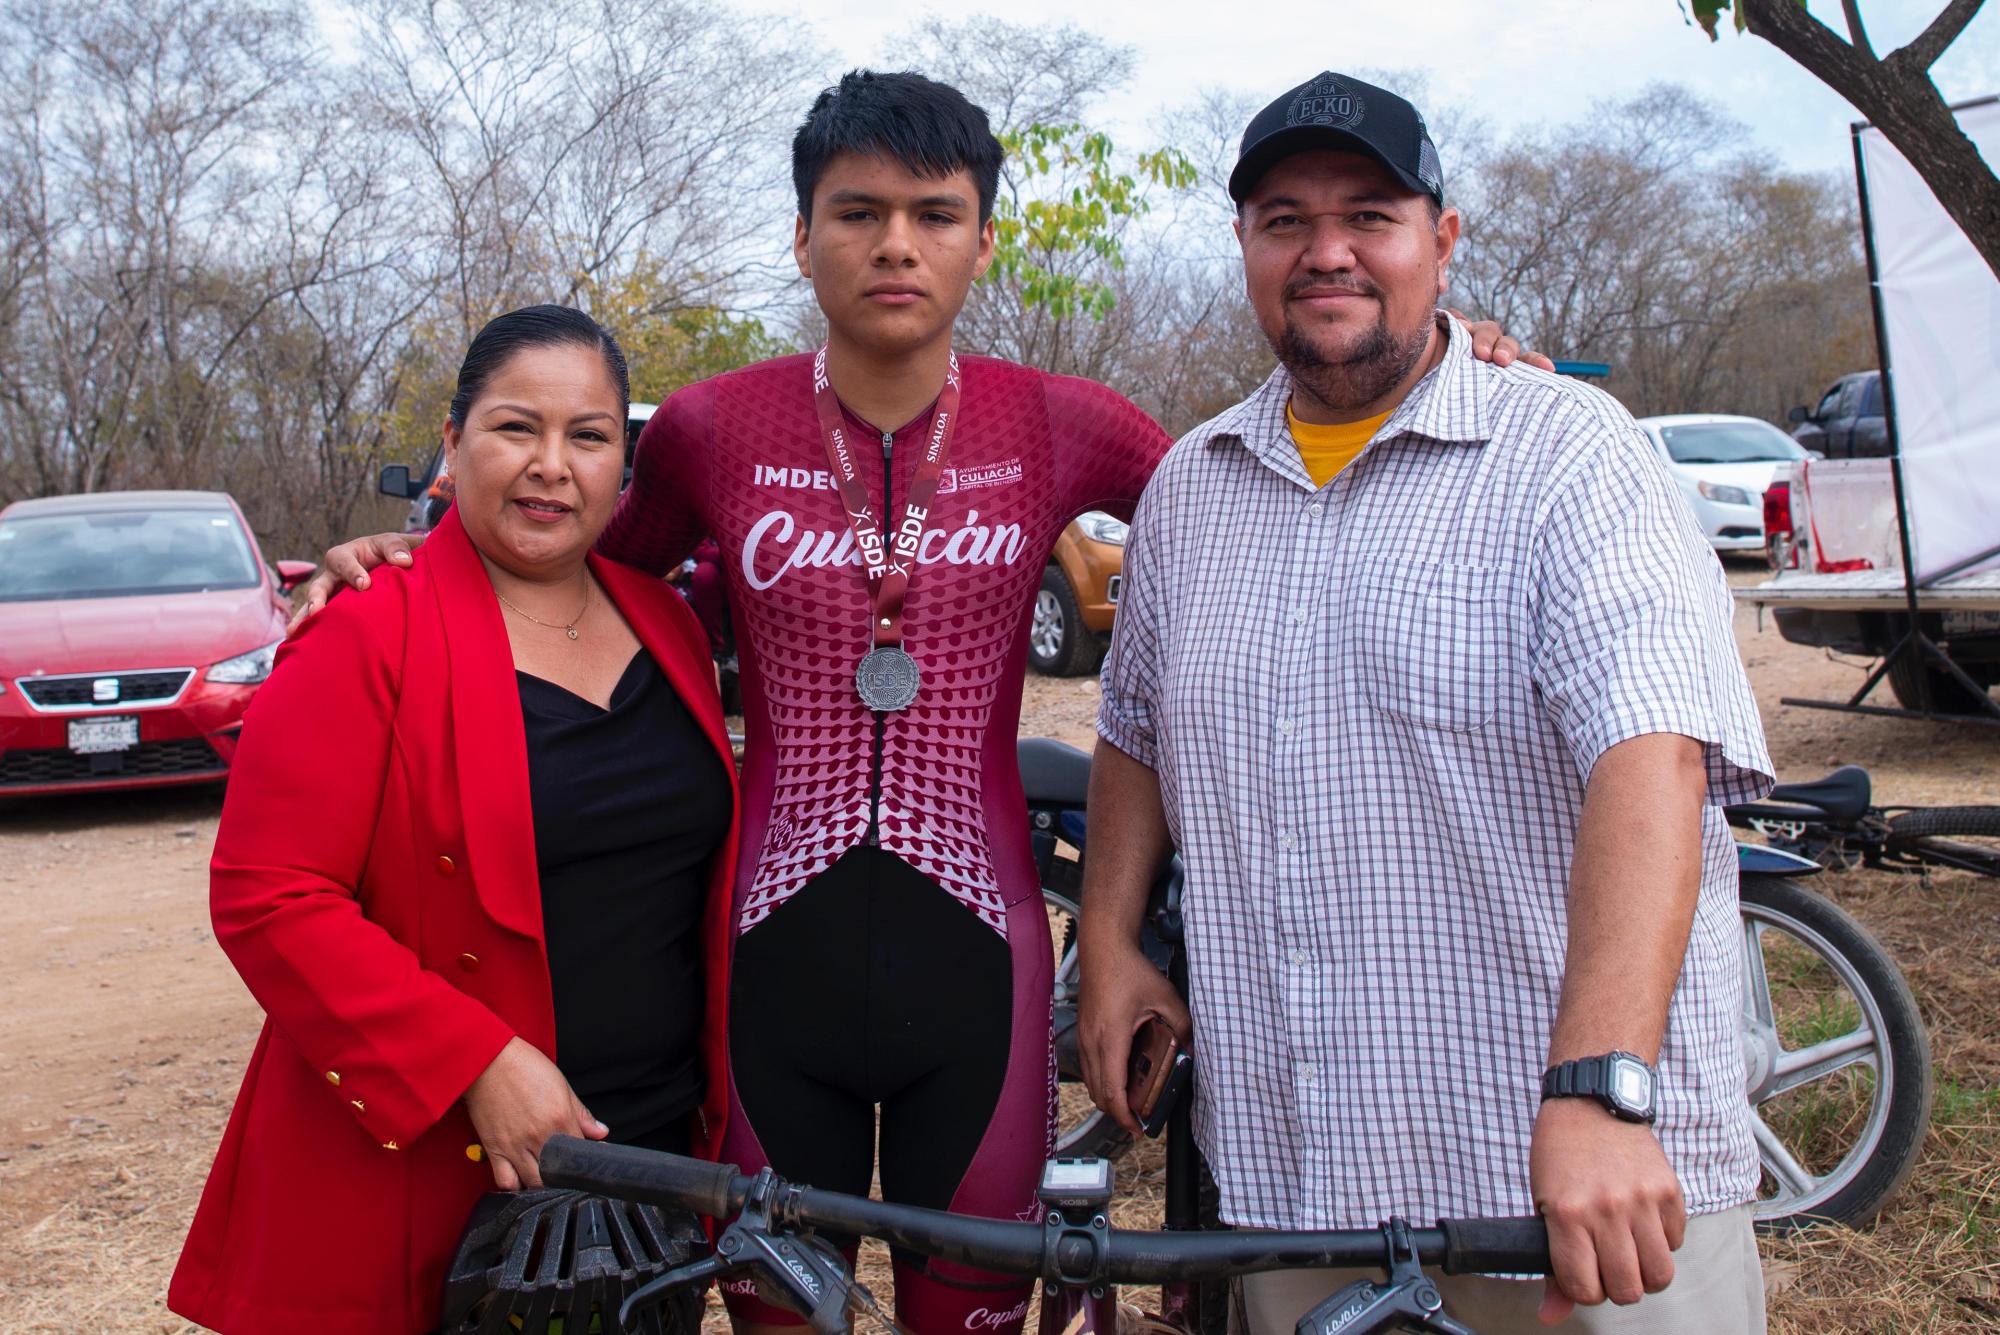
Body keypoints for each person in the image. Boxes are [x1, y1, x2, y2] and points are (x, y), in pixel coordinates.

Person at [294, 72, 1543, 1334]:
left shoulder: (1060, 423)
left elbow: (1253, 484)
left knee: (976, 1313)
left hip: (979, 968)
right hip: (768, 967)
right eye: (857, 212)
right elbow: (569, 572)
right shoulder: (712, 429)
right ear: (801, 235)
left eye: (935, 214)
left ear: (982, 240)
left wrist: (1447, 356)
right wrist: (410, 555)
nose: (895, 244)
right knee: (786, 1308)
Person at [1077, 71, 1774, 1335]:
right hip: (1302, 1188)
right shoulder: (1191, 487)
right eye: (1283, 218)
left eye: (1370, 216)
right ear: (1243, 246)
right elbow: (1133, 731)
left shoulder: (1572, 452)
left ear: (1441, 243)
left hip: (1565, 1190)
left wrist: (1602, 1090)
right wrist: (1113, 941)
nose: (1324, 251)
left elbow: (1652, 758)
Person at [169, 306, 739, 1335]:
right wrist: (473, 1060)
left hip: (648, 1158)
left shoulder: (669, 626)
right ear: (452, 443)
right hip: (442, 1161)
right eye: (515, 428)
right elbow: (268, 896)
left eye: (589, 436)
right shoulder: (367, 628)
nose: (550, 466)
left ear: (624, 462)